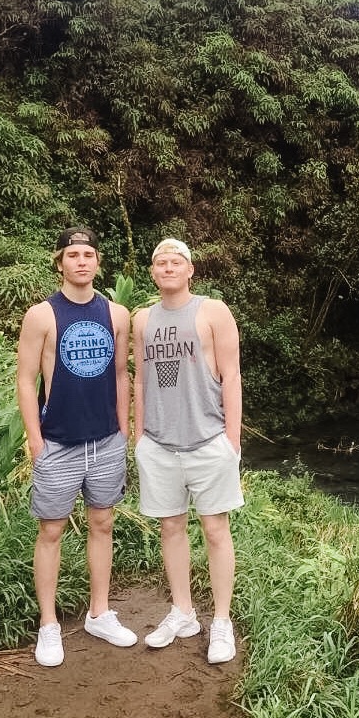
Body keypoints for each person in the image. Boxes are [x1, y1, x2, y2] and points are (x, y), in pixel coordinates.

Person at [17, 226, 137, 667]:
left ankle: (99, 612)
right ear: (60, 262)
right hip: (59, 444)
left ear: (98, 262)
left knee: (102, 524)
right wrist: (35, 440)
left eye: (89, 254)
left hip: (105, 440)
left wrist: (122, 430)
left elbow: (122, 375)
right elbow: (26, 381)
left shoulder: (117, 315)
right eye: (73, 254)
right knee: (50, 530)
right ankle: (48, 624)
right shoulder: (42, 315)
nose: (81, 261)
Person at [133, 238, 243, 664]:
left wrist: (231, 441)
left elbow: (231, 376)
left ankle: (220, 621)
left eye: (176, 261)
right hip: (159, 445)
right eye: (160, 262)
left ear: (190, 270)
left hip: (208, 440)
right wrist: (140, 437)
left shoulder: (213, 311)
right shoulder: (143, 319)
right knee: (171, 528)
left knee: (216, 530)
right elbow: (142, 380)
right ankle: (183, 612)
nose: (168, 267)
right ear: (153, 271)